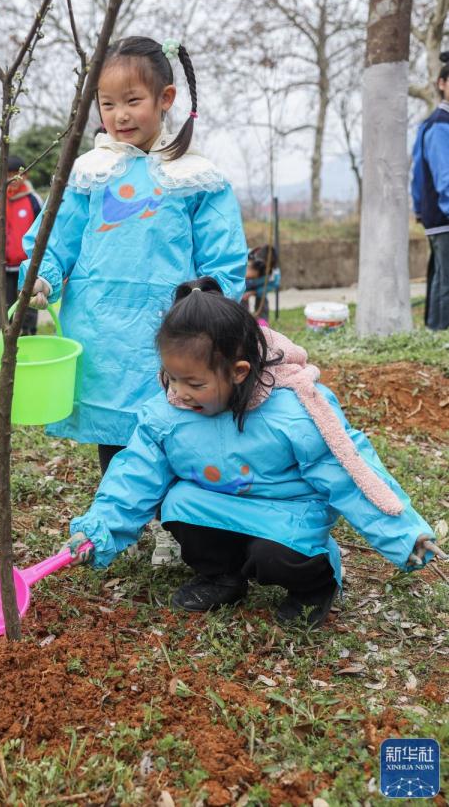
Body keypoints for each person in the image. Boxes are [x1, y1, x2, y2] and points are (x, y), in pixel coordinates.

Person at [62, 277, 443, 627]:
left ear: (239, 372)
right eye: (171, 377)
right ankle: (221, 577)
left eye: (194, 382)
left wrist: (403, 534)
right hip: (219, 504)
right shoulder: (167, 414)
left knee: (273, 556)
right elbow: (135, 474)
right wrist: (99, 531)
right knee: (177, 503)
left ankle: (316, 584)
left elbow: (349, 469)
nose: (178, 392)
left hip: (285, 510)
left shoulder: (294, 411)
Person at [20, 36, 247, 565]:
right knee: (115, 428)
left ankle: (177, 524)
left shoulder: (195, 175)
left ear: (165, 98)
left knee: (176, 422)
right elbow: (55, 237)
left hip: (173, 329)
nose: (119, 115)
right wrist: (42, 276)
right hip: (99, 327)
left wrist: (210, 303)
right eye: (107, 103)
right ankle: (128, 520)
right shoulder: (89, 173)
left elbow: (223, 257)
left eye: (133, 101)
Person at [411, 51, 449, 330]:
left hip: (435, 215)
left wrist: (418, 208)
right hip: (444, 214)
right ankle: (441, 331)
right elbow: (444, 176)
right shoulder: (440, 124)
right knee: (446, 280)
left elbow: (416, 172)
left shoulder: (432, 123)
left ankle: (435, 330)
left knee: (440, 277)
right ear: (441, 83)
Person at [0, 154, 42, 335]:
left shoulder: (32, 200)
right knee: (3, 302)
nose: (12, 178)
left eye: (16, 174)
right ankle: (6, 336)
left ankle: (28, 334)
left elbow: (43, 229)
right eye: (7, 174)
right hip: (4, 265)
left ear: (25, 175)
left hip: (27, 264)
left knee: (28, 302)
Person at [241, 244, 280, 323]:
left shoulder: (274, 272)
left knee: (262, 300)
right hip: (244, 286)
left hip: (260, 287)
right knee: (241, 299)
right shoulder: (245, 256)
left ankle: (262, 323)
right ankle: (242, 320)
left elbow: (273, 284)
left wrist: (254, 292)